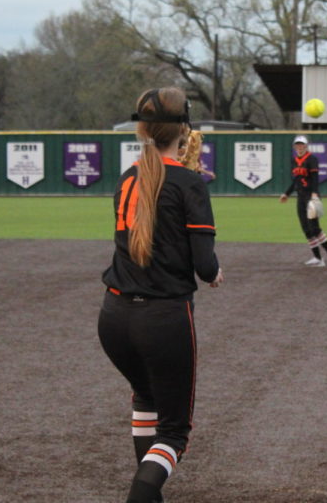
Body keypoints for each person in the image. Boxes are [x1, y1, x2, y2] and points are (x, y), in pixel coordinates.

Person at [99, 87, 223, 503]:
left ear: (142, 128)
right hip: (163, 320)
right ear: (183, 130)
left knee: (146, 396)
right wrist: (216, 272)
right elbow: (205, 266)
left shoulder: (128, 177)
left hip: (114, 318)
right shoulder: (190, 183)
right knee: (174, 433)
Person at [279, 134, 327, 267]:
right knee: (306, 229)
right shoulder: (294, 160)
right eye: (297, 145)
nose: (300, 147)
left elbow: (315, 179)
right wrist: (287, 194)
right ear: (295, 147)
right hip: (300, 197)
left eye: (302, 145)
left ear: (306, 146)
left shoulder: (312, 159)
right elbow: (296, 180)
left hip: (311, 197)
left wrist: (314, 194)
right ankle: (318, 258)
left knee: (315, 228)